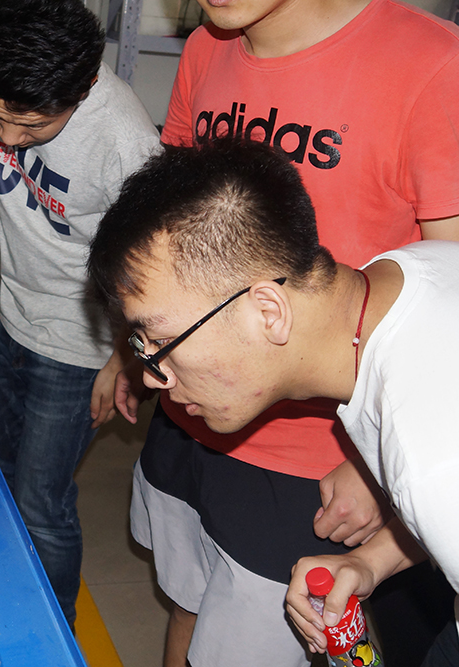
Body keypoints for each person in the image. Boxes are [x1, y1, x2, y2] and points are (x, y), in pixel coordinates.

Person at [113, 0, 459, 662]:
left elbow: (448, 289)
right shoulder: (207, 46)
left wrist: (378, 468)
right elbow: (165, 229)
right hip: (195, 404)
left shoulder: (431, 63)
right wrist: (137, 347)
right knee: (187, 599)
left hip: (319, 453)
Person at [0, 0, 160, 626]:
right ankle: (1, 587)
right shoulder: (7, 88)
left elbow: (156, 261)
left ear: (82, 89)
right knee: (1, 472)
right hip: (16, 314)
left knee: (41, 502)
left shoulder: (125, 141)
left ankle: (53, 632)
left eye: (34, 128)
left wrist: (123, 358)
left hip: (81, 346)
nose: (11, 139)